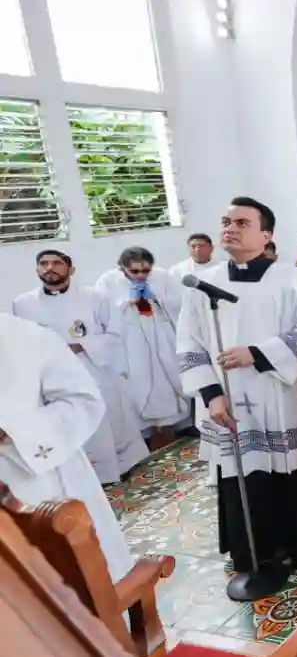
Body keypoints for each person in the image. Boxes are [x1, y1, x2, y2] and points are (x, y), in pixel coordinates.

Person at [176, 197, 297, 595]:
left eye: (241, 222)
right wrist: (212, 395)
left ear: (265, 234)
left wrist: (256, 353)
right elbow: (189, 342)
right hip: (230, 402)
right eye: (226, 221)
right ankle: (252, 551)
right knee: (242, 473)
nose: (230, 228)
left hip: (282, 396)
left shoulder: (290, 279)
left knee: (294, 472)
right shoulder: (203, 284)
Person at [0, 313, 134, 584]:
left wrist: (12, 431)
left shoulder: (28, 337)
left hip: (39, 486)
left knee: (71, 593)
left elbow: (84, 402)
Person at [12, 250, 149, 485]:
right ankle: (76, 477)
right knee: (64, 423)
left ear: (71, 270)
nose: (49, 268)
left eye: (56, 263)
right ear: (37, 270)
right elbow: (20, 341)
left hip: (92, 369)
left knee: (102, 421)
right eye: (43, 264)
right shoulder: (23, 304)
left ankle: (111, 470)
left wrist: (82, 344)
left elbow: (116, 333)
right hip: (51, 377)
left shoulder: (95, 297)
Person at [94, 246, 192, 438]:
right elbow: (101, 312)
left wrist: (159, 299)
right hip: (130, 340)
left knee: (167, 377)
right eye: (135, 271)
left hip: (161, 334)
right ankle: (144, 433)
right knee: (138, 379)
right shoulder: (107, 281)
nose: (141, 275)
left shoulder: (162, 276)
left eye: (146, 271)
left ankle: (173, 425)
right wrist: (126, 302)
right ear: (123, 268)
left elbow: (180, 302)